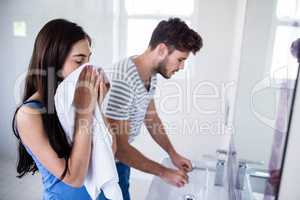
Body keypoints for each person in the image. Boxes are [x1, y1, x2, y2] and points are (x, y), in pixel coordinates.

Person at [103, 17, 203, 200]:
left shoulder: (150, 74)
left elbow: (151, 118)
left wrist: (173, 154)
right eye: (180, 59)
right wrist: (164, 172)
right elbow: (120, 148)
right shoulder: (124, 78)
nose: (181, 66)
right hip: (105, 166)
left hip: (120, 163)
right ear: (162, 49)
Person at [12, 19, 110, 200]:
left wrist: (97, 106)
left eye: (89, 60)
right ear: (53, 62)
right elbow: (74, 178)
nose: (88, 69)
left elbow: (111, 151)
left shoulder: (75, 99)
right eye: (79, 61)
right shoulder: (29, 115)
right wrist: (85, 112)